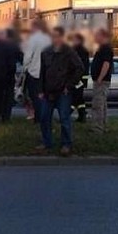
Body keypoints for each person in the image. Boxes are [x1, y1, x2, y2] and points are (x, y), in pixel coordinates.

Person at [37, 26, 84, 156]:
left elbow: (79, 68)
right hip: (48, 91)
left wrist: (69, 85)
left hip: (63, 92)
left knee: (64, 118)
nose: (54, 39)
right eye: (53, 36)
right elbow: (42, 72)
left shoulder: (69, 52)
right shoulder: (46, 52)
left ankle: (66, 144)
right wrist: (40, 89)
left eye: (57, 36)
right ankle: (47, 142)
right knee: (44, 117)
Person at [21, 18, 51, 122]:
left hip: (34, 72)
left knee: (35, 96)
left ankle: (38, 118)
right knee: (45, 97)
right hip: (47, 73)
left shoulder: (33, 39)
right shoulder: (48, 39)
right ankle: (46, 117)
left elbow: (27, 57)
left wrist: (25, 67)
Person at [90, 28, 114, 134]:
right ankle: (103, 125)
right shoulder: (101, 48)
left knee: (98, 104)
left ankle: (98, 128)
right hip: (100, 80)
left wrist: (100, 78)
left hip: (102, 81)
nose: (95, 38)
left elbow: (106, 64)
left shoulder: (106, 49)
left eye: (96, 35)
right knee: (102, 104)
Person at [2, 28, 23, 122]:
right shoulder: (15, 46)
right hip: (10, 75)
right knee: (8, 97)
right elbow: (21, 59)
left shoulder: (0, 46)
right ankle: (6, 117)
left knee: (0, 97)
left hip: (0, 75)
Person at [70, 33, 90, 123]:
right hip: (81, 78)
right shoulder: (82, 50)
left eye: (74, 40)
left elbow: (77, 66)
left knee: (76, 96)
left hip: (79, 78)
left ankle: (67, 113)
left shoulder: (79, 50)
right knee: (79, 98)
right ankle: (82, 115)